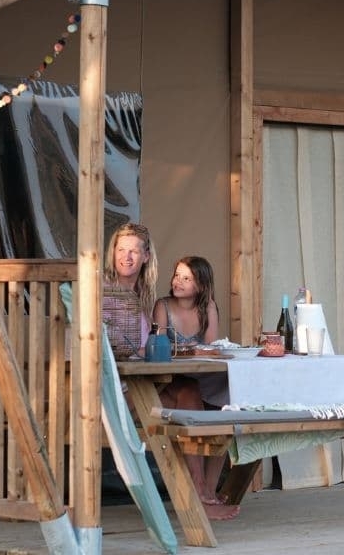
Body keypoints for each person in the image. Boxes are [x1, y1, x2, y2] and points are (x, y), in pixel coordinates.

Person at [154, 255, 239, 521]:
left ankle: (208, 491)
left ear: (201, 286)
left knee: (225, 406)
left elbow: (212, 348)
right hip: (165, 384)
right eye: (176, 275)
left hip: (195, 379)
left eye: (186, 278)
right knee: (190, 390)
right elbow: (157, 348)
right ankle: (200, 492)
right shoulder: (163, 306)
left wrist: (198, 350)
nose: (177, 282)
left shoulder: (208, 307)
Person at [102, 222, 159, 360]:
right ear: (113, 253)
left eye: (133, 251)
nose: (126, 257)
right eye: (121, 250)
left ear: (146, 256)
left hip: (140, 373)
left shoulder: (146, 295)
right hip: (110, 373)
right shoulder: (101, 289)